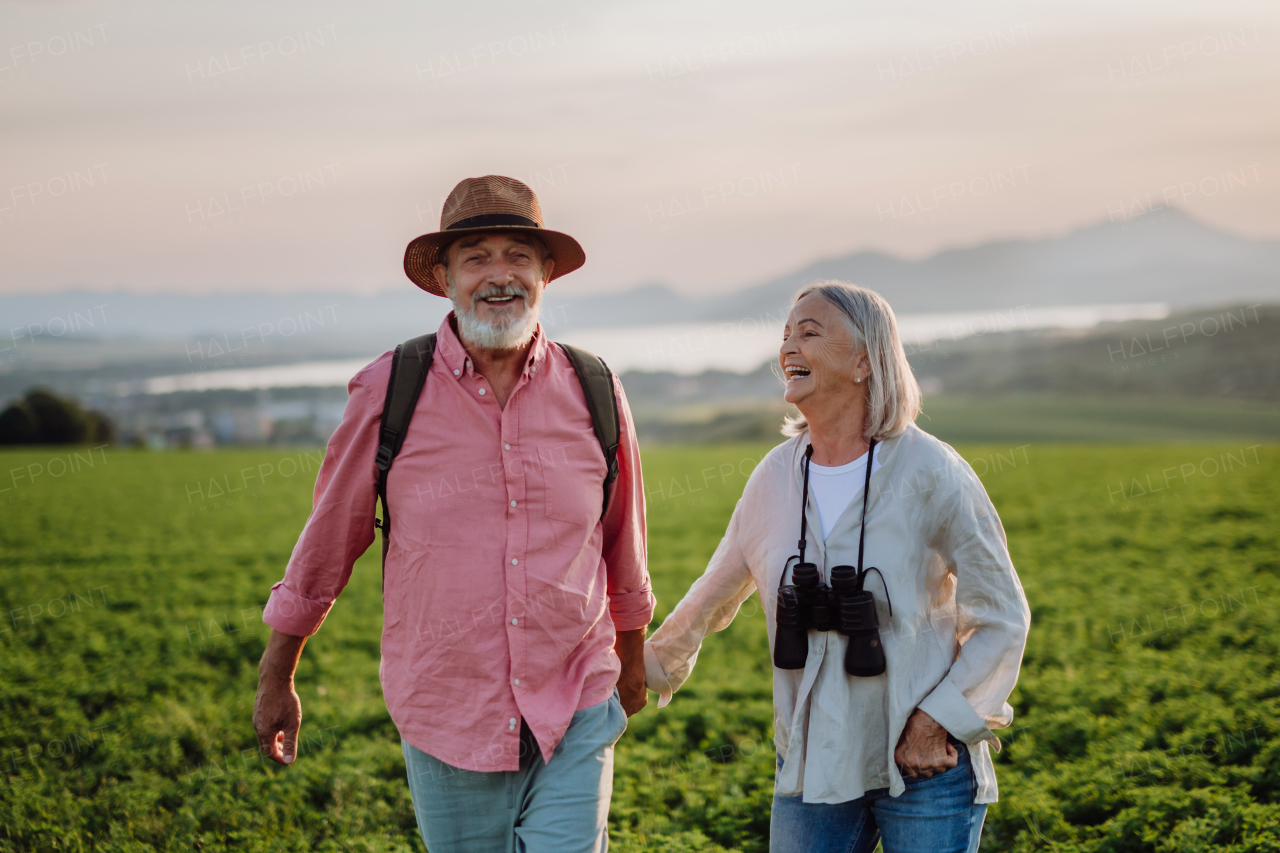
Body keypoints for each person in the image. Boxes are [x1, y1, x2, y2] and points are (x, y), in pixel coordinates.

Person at [253, 175, 655, 853]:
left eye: (519, 256)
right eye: (476, 257)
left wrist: (633, 655)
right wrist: (278, 672)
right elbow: (328, 539)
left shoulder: (594, 388)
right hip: (449, 709)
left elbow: (623, 537)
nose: (500, 276)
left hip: (577, 698)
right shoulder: (390, 387)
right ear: (445, 277)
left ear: (546, 273)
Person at [643, 281, 1030, 853]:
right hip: (812, 762)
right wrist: (639, 666)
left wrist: (938, 720)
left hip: (922, 763)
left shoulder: (932, 471)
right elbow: (712, 594)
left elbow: (1002, 615)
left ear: (864, 361)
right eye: (785, 335)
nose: (787, 348)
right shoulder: (774, 478)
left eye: (810, 332)